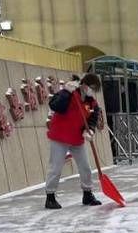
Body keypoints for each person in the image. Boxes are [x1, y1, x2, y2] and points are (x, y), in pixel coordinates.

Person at [44, 73, 103, 209]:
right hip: (60, 136)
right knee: (56, 167)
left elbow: (92, 118)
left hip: (76, 139)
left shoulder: (91, 102)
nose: (91, 91)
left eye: (94, 89)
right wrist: (65, 92)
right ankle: (50, 196)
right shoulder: (70, 93)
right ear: (84, 84)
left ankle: (87, 194)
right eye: (90, 87)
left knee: (85, 167)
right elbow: (55, 106)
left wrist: (90, 130)